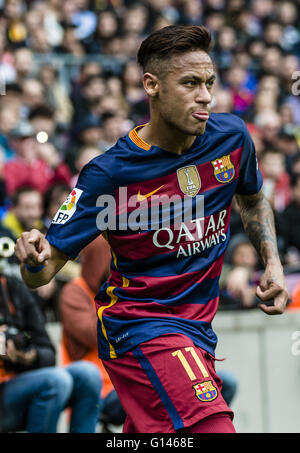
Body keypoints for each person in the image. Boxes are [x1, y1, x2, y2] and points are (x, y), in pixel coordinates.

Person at [15, 25, 289, 434]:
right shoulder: (108, 174)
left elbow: (251, 198)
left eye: (209, 83)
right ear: (152, 85)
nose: (206, 97)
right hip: (140, 326)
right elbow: (41, 272)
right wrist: (34, 257)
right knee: (213, 427)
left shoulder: (231, 138)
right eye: (191, 83)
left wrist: (272, 261)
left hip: (199, 329)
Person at [0, 269, 102, 433]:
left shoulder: (12, 286)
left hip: (21, 384)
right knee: (56, 381)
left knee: (88, 373)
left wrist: (23, 356)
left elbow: (48, 354)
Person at [59, 235, 126, 430]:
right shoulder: (75, 291)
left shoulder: (122, 293)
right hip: (97, 390)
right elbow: (93, 334)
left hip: (125, 380)